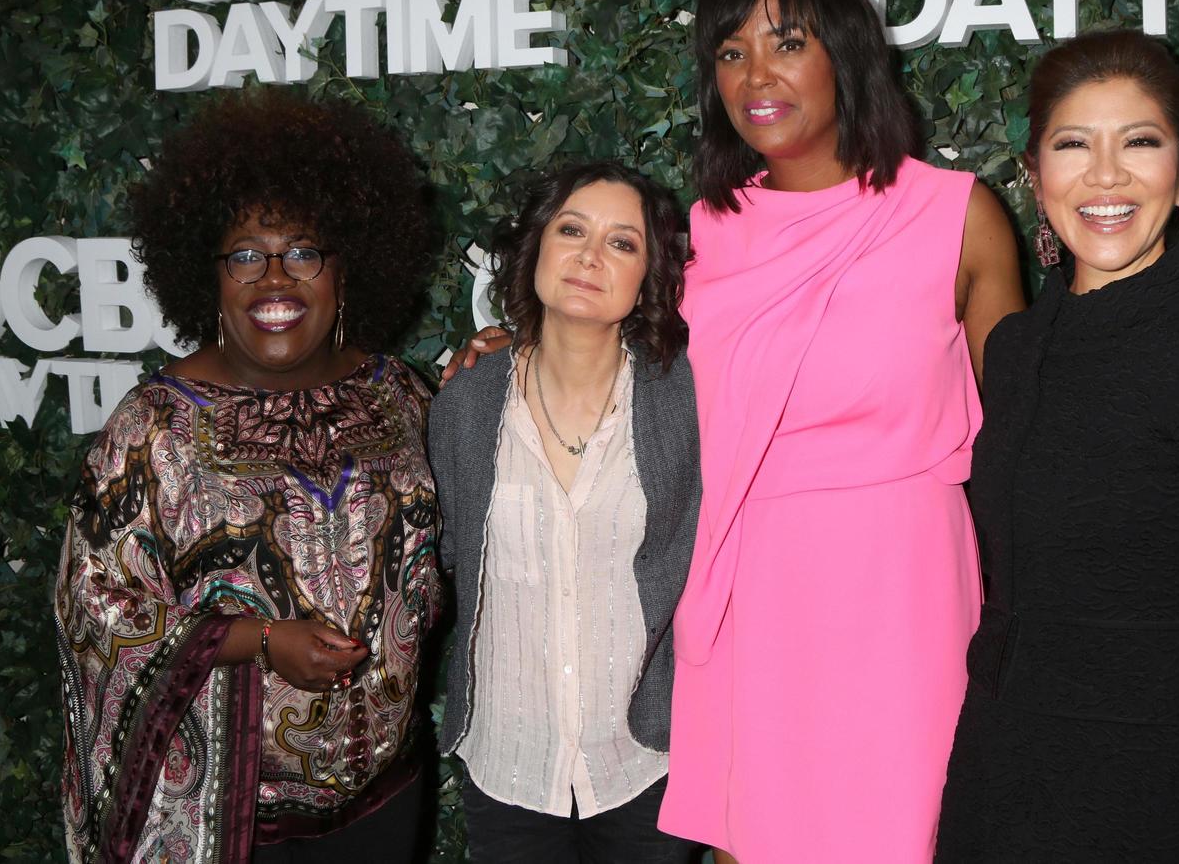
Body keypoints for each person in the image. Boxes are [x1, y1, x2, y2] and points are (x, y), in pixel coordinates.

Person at [650, 0, 1024, 863]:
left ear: (845, 53)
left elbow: (1030, 427)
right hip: (753, 589)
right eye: (730, 52)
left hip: (907, 590)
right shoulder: (696, 234)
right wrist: (501, 354)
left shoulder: (956, 215)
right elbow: (610, 376)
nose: (754, 75)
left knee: (914, 831)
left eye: (785, 41)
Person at [935, 30, 1179, 861]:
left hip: (1152, 789)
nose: (1105, 176)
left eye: (1140, 141)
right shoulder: (1018, 348)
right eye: (1073, 145)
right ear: (1033, 174)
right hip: (1000, 774)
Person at [55, 91, 443, 864]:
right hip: (231, 829)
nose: (274, 278)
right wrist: (257, 640)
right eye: (244, 254)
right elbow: (91, 605)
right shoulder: (154, 425)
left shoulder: (401, 395)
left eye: (303, 251)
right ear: (209, 274)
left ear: (346, 268)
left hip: (388, 804)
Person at [427, 162, 703, 863]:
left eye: (622, 243)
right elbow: (453, 557)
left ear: (650, 276)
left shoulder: (687, 402)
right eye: (572, 230)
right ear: (536, 248)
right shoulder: (465, 403)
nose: (588, 256)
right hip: (510, 763)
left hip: (646, 759)